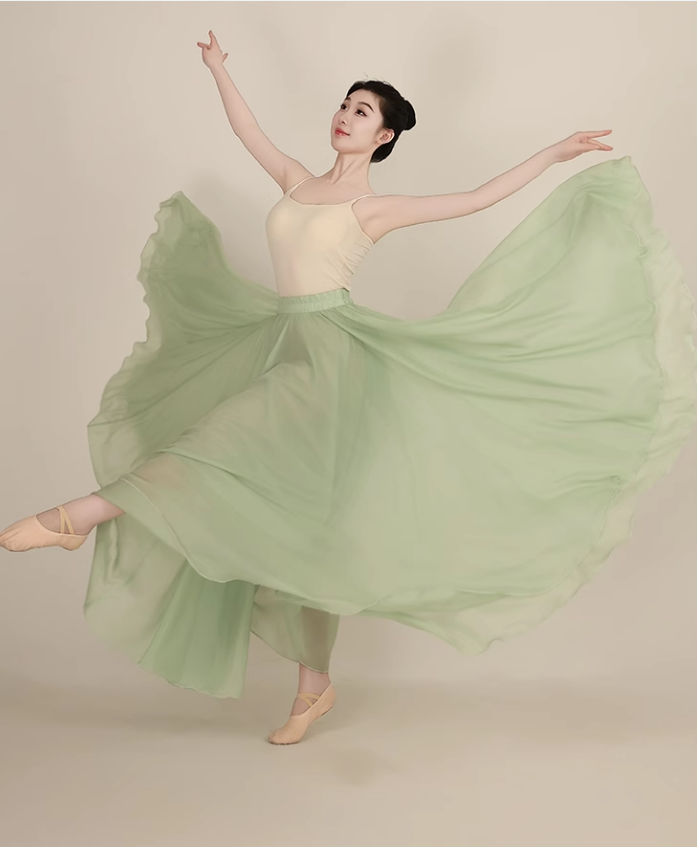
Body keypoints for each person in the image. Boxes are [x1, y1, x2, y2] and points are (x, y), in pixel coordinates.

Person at [2, 30, 697, 746]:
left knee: (217, 443)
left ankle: (79, 516)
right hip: (278, 340)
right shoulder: (297, 180)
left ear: (384, 135)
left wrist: (551, 154)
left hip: (328, 359)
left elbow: (475, 198)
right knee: (306, 529)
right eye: (344, 104)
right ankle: (315, 687)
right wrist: (217, 69)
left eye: (362, 111)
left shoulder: (374, 208)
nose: (344, 115)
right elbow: (247, 130)